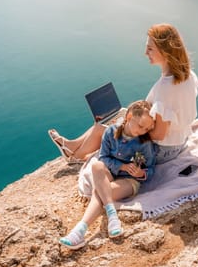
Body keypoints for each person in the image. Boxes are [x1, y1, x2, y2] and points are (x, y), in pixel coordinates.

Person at [49, 23, 198, 164]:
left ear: (165, 51)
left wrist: (129, 128)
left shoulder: (165, 87)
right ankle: (71, 145)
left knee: (103, 129)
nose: (145, 52)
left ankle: (75, 158)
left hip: (161, 151)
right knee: (104, 124)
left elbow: (159, 134)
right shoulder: (189, 76)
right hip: (179, 141)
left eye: (150, 49)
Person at [59, 100, 156, 250]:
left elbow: (151, 168)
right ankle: (112, 215)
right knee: (97, 165)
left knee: (100, 191)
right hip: (110, 173)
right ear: (129, 117)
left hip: (129, 181)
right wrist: (121, 165)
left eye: (147, 128)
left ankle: (79, 231)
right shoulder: (111, 131)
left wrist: (141, 172)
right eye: (140, 126)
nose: (143, 131)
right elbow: (103, 157)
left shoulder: (144, 143)